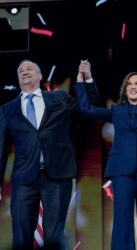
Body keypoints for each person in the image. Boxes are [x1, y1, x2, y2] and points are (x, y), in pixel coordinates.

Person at [73, 52, 137, 250]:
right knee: (122, 222)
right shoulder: (116, 110)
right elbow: (86, 109)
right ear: (124, 89)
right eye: (129, 84)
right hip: (122, 170)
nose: (133, 87)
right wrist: (81, 80)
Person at [0, 59, 99, 250]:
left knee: (54, 236)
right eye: (20, 70)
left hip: (57, 177)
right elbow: (1, 147)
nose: (24, 71)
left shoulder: (59, 98)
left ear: (39, 76)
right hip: (24, 180)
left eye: (29, 68)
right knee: (21, 236)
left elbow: (90, 109)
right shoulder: (7, 109)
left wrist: (85, 81)